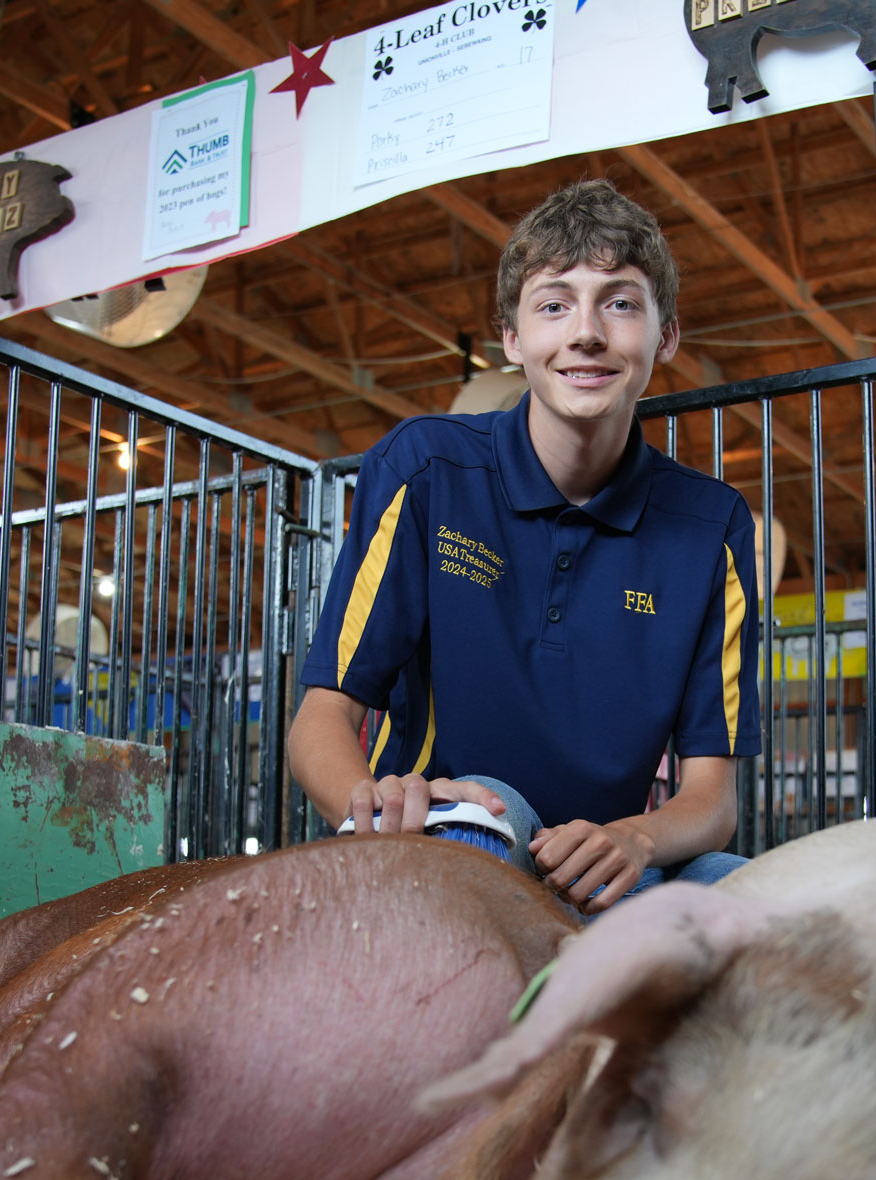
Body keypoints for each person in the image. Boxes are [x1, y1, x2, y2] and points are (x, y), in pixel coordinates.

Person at [287, 181, 760, 913]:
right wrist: (375, 804)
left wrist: (633, 838)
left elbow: (711, 799)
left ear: (665, 335)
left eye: (622, 302)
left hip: (607, 862)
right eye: (553, 304)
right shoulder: (425, 469)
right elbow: (324, 714)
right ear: (512, 339)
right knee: (486, 814)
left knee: (751, 900)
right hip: (458, 827)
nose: (587, 333)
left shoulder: (712, 526)